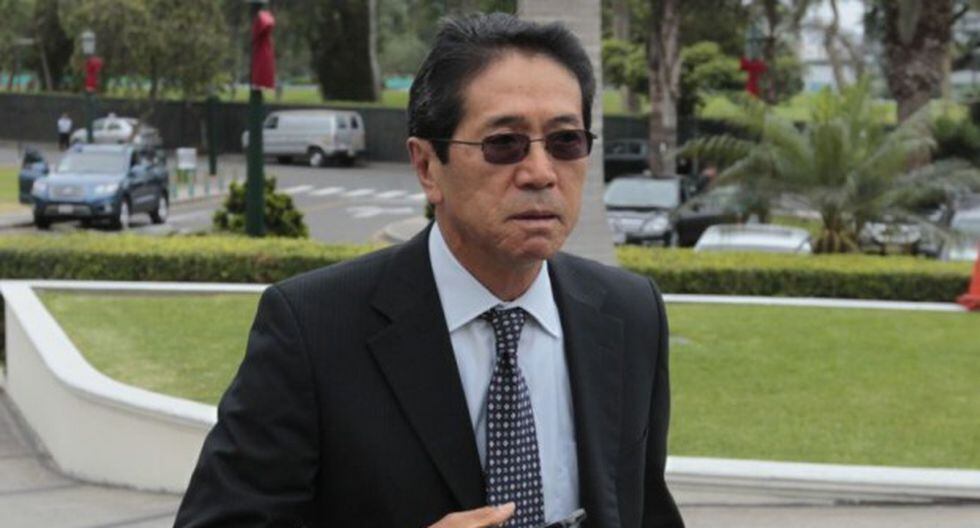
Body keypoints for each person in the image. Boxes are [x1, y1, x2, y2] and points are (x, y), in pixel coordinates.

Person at [175, 13, 683, 528]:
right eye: (503, 143)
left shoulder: (631, 313)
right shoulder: (312, 329)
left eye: (565, 141)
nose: (540, 173)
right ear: (426, 167)